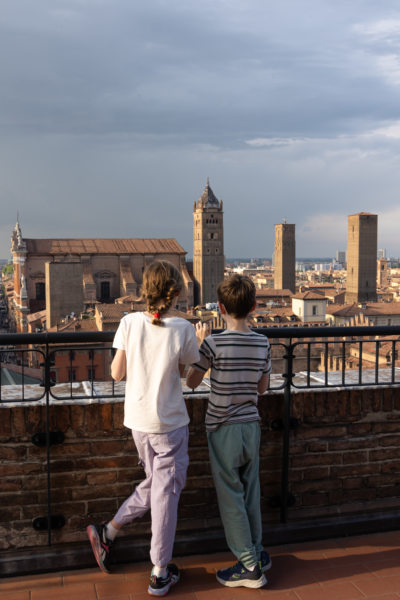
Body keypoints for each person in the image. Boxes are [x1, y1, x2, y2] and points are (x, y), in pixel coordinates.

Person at [86, 260, 200, 597]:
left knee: (157, 485)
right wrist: (202, 354)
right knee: (166, 496)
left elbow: (117, 373)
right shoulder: (184, 329)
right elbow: (191, 381)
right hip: (169, 425)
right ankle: (160, 571)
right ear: (176, 292)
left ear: (143, 289)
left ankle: (109, 531)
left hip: (138, 424)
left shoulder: (128, 322)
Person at [186, 274, 272, 589]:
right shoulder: (263, 342)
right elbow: (262, 388)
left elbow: (191, 382)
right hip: (251, 425)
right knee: (251, 490)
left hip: (223, 427)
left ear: (220, 307)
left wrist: (197, 347)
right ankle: (258, 552)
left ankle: (249, 566)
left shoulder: (213, 342)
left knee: (231, 496)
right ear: (254, 306)